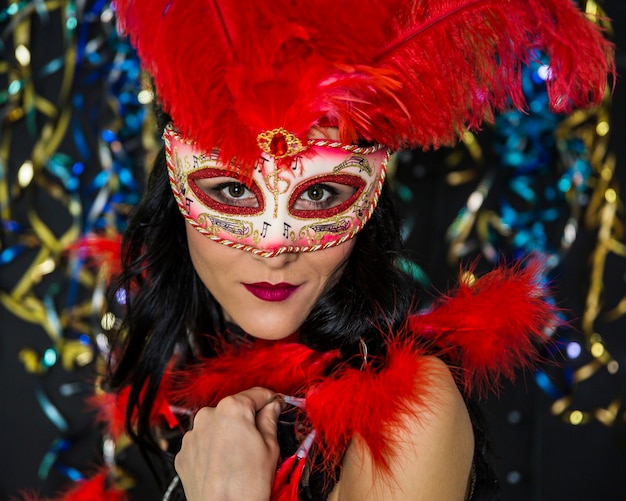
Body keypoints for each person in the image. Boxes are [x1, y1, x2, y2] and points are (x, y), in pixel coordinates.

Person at [34, 1, 613, 500]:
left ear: (370, 197)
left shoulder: (412, 416)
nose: (274, 249)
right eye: (233, 190)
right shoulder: (180, 378)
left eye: (320, 196)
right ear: (176, 185)